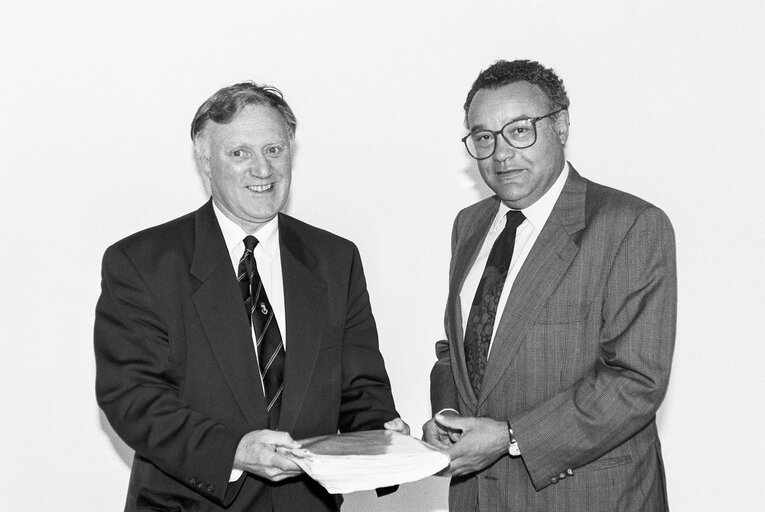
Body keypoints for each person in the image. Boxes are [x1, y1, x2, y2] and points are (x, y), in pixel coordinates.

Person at [95, 82, 409, 512]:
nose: (263, 170)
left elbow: (360, 390)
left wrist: (383, 438)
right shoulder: (141, 263)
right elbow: (134, 399)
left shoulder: (336, 260)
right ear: (205, 161)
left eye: (274, 150)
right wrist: (236, 451)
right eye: (239, 153)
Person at [423, 60, 676, 511]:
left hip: (587, 497)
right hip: (478, 498)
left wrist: (510, 437)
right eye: (484, 137)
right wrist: (447, 419)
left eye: (519, 130)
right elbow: (460, 351)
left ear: (560, 126)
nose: (501, 154)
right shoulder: (470, 225)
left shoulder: (630, 225)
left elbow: (636, 380)